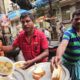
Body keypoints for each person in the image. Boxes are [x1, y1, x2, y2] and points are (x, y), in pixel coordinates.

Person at [51, 9, 80, 80]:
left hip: (77, 63)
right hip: (67, 64)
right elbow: (63, 44)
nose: (79, 21)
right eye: (76, 19)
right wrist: (58, 56)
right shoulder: (68, 32)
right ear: (72, 20)